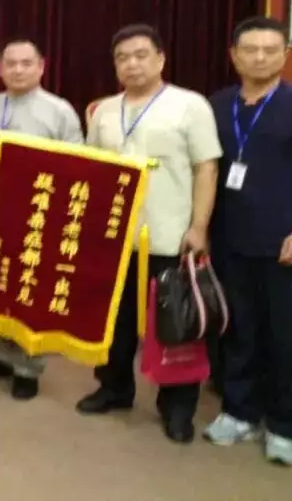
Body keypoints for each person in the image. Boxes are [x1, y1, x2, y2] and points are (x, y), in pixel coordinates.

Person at [78, 23, 220, 444]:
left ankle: (177, 407)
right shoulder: (104, 111)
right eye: (122, 58)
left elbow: (206, 168)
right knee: (115, 321)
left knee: (174, 324)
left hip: (170, 235)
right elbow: (93, 169)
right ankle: (114, 387)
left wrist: (198, 227)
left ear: (160, 59)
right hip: (116, 236)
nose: (132, 64)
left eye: (141, 55)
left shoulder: (189, 105)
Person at [0, 38, 84, 400]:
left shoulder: (59, 111)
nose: (18, 70)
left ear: (41, 67)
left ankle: (28, 367)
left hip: (38, 216)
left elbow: (77, 165)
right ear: (0, 69)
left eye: (26, 63)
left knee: (30, 290)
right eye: (10, 64)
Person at [203, 16, 292, 466]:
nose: (259, 57)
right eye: (250, 50)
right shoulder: (216, 105)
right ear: (233, 56)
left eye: (269, 50)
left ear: (284, 55)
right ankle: (239, 411)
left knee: (284, 334)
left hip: (282, 242)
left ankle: (283, 424)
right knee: (237, 328)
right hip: (228, 235)